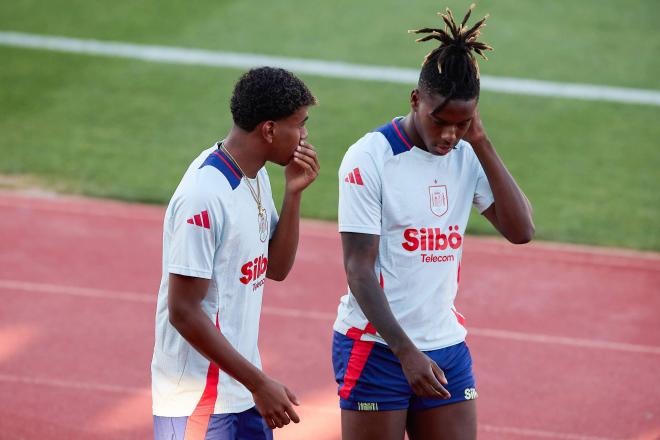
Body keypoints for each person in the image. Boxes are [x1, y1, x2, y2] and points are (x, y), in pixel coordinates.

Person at [332, 5, 535, 440]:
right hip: (378, 348)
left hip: (445, 343)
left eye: (463, 124)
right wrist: (405, 353)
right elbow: (358, 270)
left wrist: (481, 143)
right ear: (415, 100)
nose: (449, 136)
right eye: (440, 122)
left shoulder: (467, 152)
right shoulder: (370, 158)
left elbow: (522, 231)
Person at [151, 66, 319, 440]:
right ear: (270, 129)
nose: (305, 135)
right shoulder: (204, 196)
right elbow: (183, 311)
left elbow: (276, 267)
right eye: (300, 124)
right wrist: (260, 383)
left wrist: (294, 194)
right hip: (198, 400)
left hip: (242, 390)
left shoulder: (255, 174)